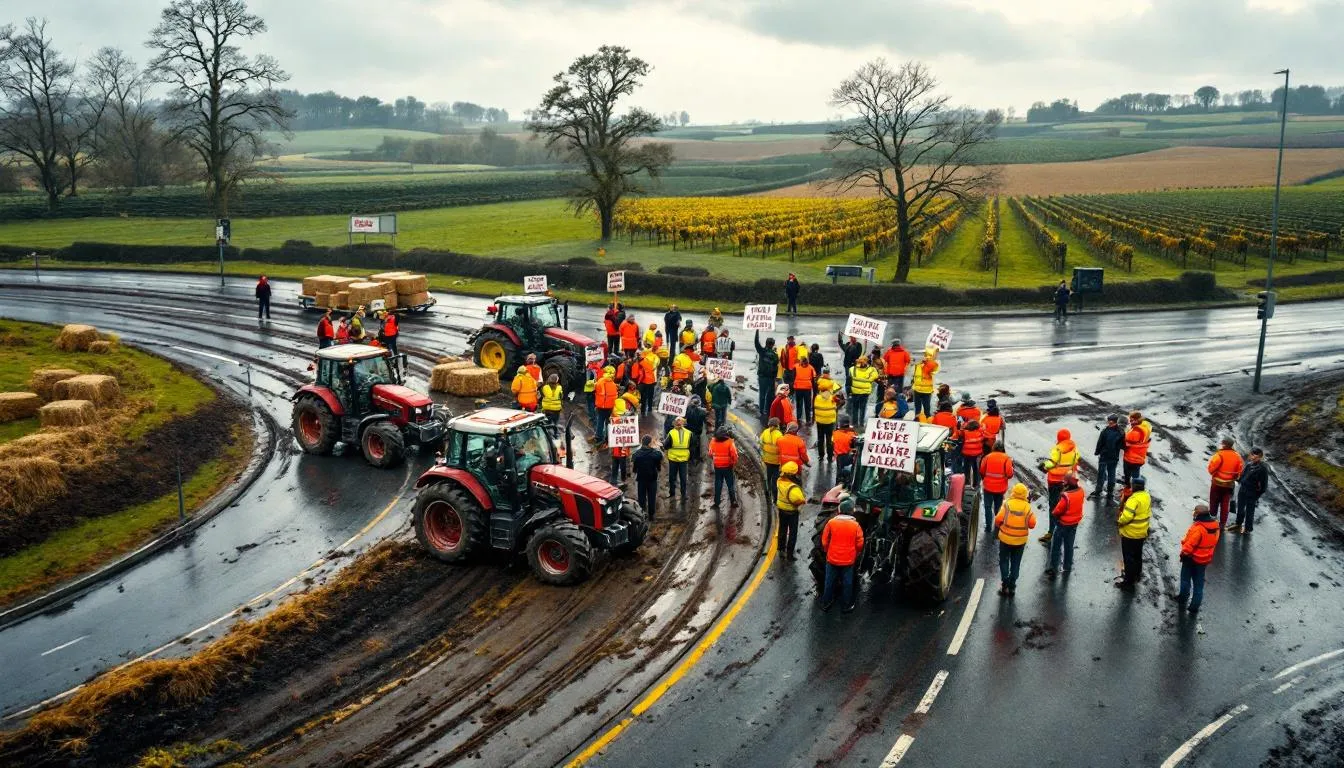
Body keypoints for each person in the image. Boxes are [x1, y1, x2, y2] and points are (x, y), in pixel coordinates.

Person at [820, 497, 864, 612]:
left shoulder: (831, 523)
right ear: (851, 511)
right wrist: (856, 553)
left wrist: (827, 551)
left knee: (829, 582)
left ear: (839, 510)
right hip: (848, 560)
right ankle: (846, 606)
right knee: (847, 583)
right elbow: (860, 543)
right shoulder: (856, 526)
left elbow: (824, 541)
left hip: (832, 559)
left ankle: (826, 604)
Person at [1176, 503, 1220, 615]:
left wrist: (1183, 555)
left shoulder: (1198, 528)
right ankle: (1194, 606)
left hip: (1191, 559)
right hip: (1204, 560)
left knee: (1185, 579)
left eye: (1195, 512)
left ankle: (1183, 598)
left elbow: (1189, 545)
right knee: (1199, 584)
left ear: (1198, 514)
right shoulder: (1216, 526)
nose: (1193, 514)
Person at [994, 483, 1036, 597]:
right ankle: (1012, 586)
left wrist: (1002, 526)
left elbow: (998, 520)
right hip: (1020, 542)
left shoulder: (1007, 504)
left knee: (1004, 561)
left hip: (1005, 540)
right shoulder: (1027, 507)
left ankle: (1005, 583)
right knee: (1016, 563)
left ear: (1013, 492)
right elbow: (1032, 524)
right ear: (1025, 494)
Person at [1039, 429, 1079, 543]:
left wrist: (1044, 465)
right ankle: (1064, 530)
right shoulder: (1074, 448)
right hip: (1067, 480)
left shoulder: (1057, 449)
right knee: (1065, 505)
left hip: (1055, 481)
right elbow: (1075, 462)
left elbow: (1052, 462)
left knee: (1054, 507)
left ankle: (1052, 531)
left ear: (1059, 437)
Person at [1116, 475, 1152, 591]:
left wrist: (1119, 521)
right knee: (1137, 554)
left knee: (1128, 557)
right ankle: (1137, 574)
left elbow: (1126, 517)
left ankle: (1128, 581)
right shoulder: (1146, 496)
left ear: (1134, 486)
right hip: (1142, 532)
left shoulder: (1133, 499)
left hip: (1130, 533)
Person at [1047, 475, 1085, 576]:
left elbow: (1057, 510)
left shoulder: (1066, 496)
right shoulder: (1081, 492)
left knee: (1056, 546)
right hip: (1074, 524)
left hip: (1062, 524)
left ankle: (1054, 568)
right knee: (1069, 546)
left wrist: (1054, 514)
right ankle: (1067, 567)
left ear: (1068, 484)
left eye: (1065, 483)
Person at [1207, 437, 1245, 530]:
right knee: (1225, 503)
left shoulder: (1219, 455)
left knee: (1214, 501)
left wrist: (1215, 474)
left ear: (1224, 444)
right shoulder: (1237, 456)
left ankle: (1212, 517)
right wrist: (1233, 478)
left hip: (1217, 483)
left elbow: (1211, 469)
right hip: (1229, 485)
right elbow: (1240, 472)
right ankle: (1222, 524)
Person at [1230, 448, 1269, 534]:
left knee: (1250, 511)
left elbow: (1264, 486)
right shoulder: (1249, 465)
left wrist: (1256, 495)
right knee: (1240, 508)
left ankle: (1248, 529)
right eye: (1252, 454)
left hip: (1252, 493)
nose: (1252, 456)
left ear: (1260, 457)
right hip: (1243, 490)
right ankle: (1238, 524)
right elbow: (1242, 476)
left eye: (1255, 455)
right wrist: (1237, 480)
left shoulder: (1263, 469)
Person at [979, 441, 1014, 533]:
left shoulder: (987, 457)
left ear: (993, 447)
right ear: (1003, 448)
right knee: (998, 508)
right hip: (1000, 488)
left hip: (988, 487)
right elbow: (1009, 474)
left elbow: (982, 471)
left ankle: (988, 527)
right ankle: (997, 527)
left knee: (987, 507)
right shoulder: (1007, 459)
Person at [777, 461, 806, 559]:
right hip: (792, 512)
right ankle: (789, 554)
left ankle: (780, 549)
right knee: (793, 532)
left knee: (782, 529)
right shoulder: (793, 488)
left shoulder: (780, 481)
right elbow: (799, 499)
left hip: (781, 509)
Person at [1093, 415, 1125, 501]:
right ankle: (1110, 493)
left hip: (1104, 455)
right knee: (1111, 474)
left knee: (1101, 474)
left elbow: (1100, 443)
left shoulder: (1105, 431)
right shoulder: (1121, 432)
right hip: (1114, 456)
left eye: (1110, 421)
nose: (1109, 422)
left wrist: (1097, 452)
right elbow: (1123, 445)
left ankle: (1098, 491)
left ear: (1111, 421)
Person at [632, 435, 663, 520]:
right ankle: (651, 515)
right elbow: (660, 459)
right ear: (649, 443)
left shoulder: (636, 454)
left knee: (641, 497)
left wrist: (635, 470)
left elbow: (634, 468)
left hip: (641, 478)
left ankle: (642, 514)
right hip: (652, 478)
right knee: (651, 497)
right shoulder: (655, 453)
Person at [709, 427, 740, 509]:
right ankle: (733, 502)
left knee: (718, 484)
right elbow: (734, 455)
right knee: (730, 484)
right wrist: (733, 463)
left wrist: (716, 460)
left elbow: (710, 454)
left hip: (717, 467)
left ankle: (717, 503)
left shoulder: (713, 441)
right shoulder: (730, 442)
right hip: (728, 467)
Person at [663, 417, 692, 502]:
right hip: (684, 459)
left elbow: (666, 445)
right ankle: (683, 494)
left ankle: (672, 493)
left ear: (675, 424)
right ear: (683, 424)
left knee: (672, 477)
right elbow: (693, 444)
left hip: (673, 458)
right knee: (683, 477)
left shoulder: (671, 433)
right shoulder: (689, 433)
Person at [846, 356, 879, 428]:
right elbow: (875, 376)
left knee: (855, 408)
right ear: (866, 362)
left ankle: (855, 424)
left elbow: (849, 380)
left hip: (855, 391)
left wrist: (848, 392)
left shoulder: (852, 369)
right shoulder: (871, 370)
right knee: (862, 408)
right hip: (865, 392)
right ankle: (861, 423)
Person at [1123, 411, 1152, 489]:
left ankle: (1128, 491)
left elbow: (1126, 442)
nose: (1130, 421)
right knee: (1136, 475)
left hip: (1131, 457)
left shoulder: (1136, 431)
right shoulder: (1145, 428)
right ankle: (1137, 490)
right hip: (1139, 457)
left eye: (1132, 420)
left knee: (1128, 475)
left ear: (1137, 419)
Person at [754, 331, 779, 417]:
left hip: (762, 377)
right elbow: (776, 368)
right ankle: (768, 410)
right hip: (771, 378)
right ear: (773, 345)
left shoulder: (762, 351)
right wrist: (775, 378)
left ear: (766, 343)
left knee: (762, 394)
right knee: (770, 395)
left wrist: (757, 332)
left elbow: (756, 343)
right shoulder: (775, 356)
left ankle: (761, 411)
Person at [910, 348, 939, 421]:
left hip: (921, 390)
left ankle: (921, 419)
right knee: (924, 407)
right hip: (922, 390)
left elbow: (933, 369)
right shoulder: (929, 364)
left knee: (921, 407)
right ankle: (924, 419)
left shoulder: (925, 364)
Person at [760, 417, 783, 504]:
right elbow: (781, 448)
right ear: (777, 425)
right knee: (775, 481)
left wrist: (764, 453)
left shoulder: (765, 432)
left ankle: (767, 493)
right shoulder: (779, 435)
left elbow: (760, 442)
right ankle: (775, 499)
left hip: (767, 460)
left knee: (768, 478)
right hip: (776, 462)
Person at [593, 366, 618, 444]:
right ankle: (608, 438)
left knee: (600, 421)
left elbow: (595, 388)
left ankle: (599, 437)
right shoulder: (614, 385)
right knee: (608, 422)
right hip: (610, 407)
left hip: (601, 406)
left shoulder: (600, 382)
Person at [814, 379, 837, 461]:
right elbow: (840, 403)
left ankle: (821, 456)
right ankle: (830, 457)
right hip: (830, 422)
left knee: (820, 439)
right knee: (829, 440)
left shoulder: (817, 398)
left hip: (820, 422)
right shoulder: (833, 398)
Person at [960, 419, 985, 486]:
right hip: (976, 454)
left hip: (966, 453)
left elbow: (959, 434)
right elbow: (983, 436)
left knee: (966, 468)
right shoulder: (980, 432)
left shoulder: (965, 432)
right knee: (976, 468)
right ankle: (976, 483)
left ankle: (966, 482)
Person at [833, 415, 857, 484]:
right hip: (849, 455)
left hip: (839, 456)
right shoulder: (852, 434)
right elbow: (854, 444)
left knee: (840, 472)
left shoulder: (835, 433)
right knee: (849, 471)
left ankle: (838, 483)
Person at [792, 355, 816, 423]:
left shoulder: (796, 366)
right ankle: (808, 419)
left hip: (798, 388)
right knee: (807, 404)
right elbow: (813, 378)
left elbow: (793, 376)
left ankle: (799, 418)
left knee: (799, 404)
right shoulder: (811, 368)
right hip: (807, 388)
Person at [685, 396, 707, 464]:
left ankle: (688, 457)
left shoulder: (687, 410)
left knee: (688, 444)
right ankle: (694, 458)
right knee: (696, 445)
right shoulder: (701, 412)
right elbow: (705, 419)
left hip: (688, 429)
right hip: (697, 431)